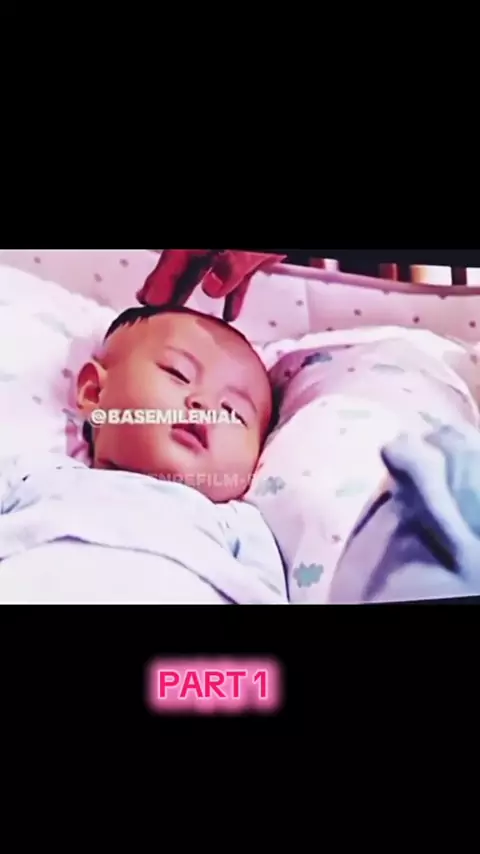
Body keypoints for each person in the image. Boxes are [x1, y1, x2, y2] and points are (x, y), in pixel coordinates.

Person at [0, 306, 287, 604]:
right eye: (177, 373)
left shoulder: (238, 526)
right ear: (95, 392)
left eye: (234, 412)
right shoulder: (36, 474)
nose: (205, 405)